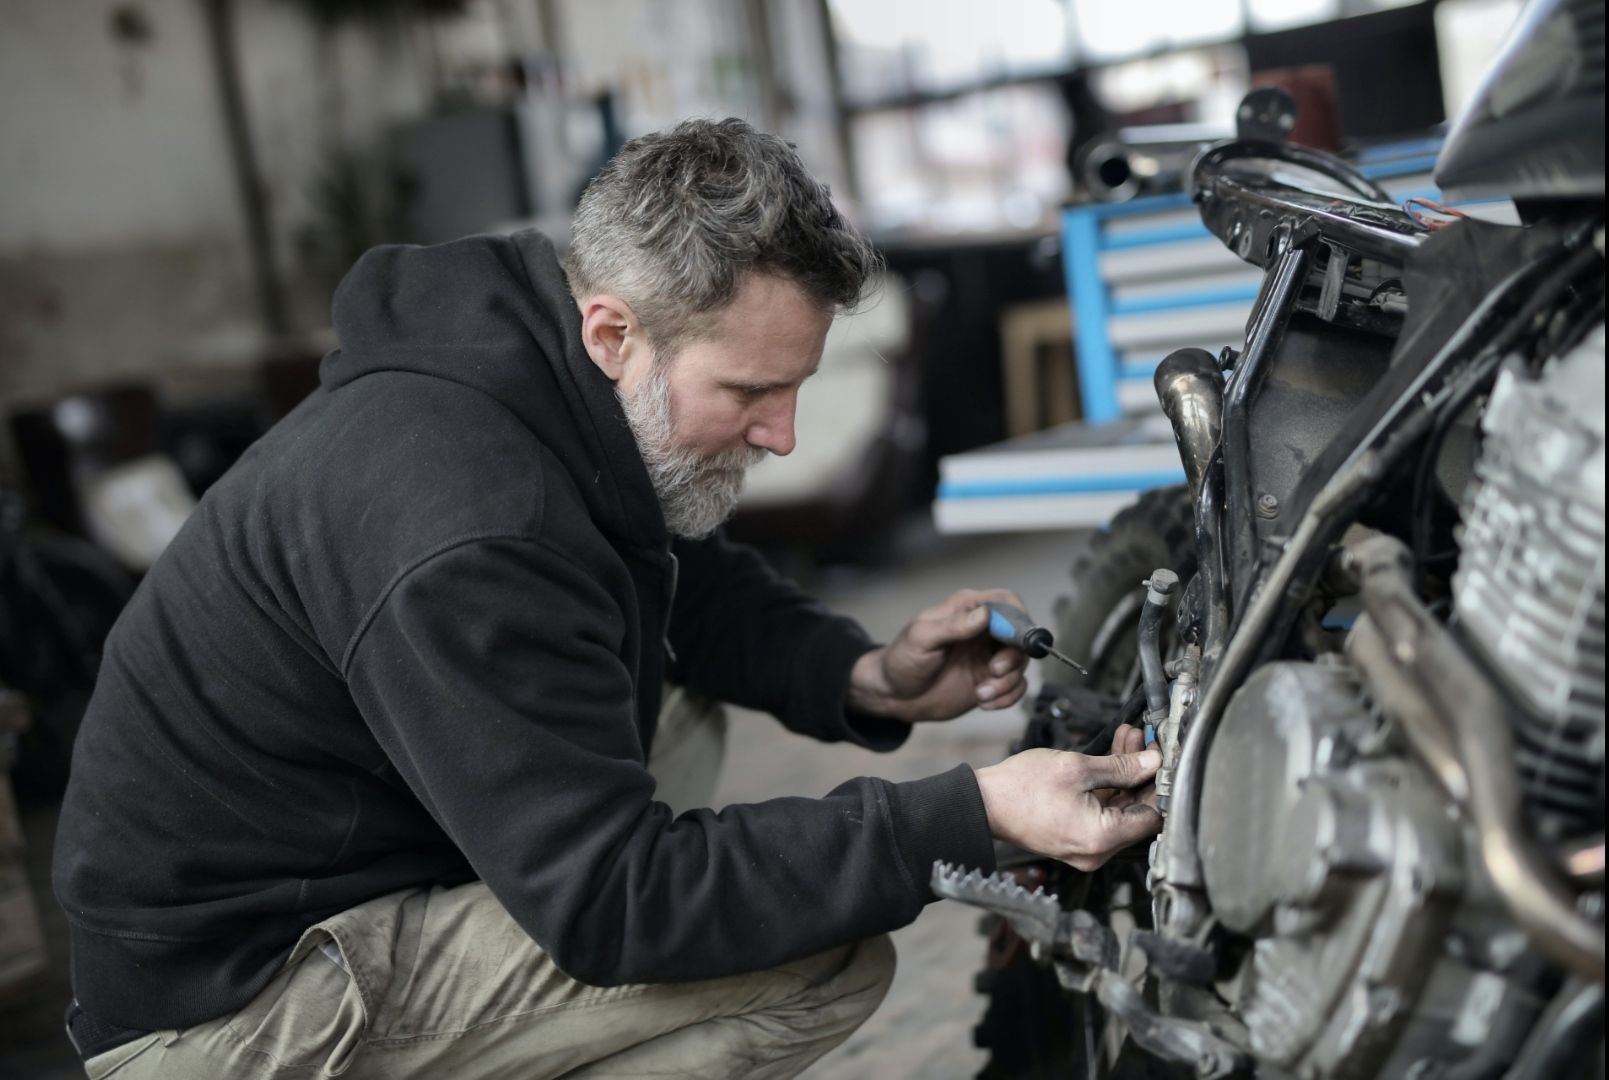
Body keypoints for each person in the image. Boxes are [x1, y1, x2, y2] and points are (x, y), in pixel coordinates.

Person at [54, 118, 1162, 1080]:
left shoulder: (532, 378)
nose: (781, 436)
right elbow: (616, 902)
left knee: (681, 701)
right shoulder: (468, 523)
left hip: (336, 872)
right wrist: (971, 813)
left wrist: (863, 676)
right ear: (613, 334)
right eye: (752, 392)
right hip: (235, 1006)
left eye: (796, 390)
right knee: (811, 961)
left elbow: (678, 580)